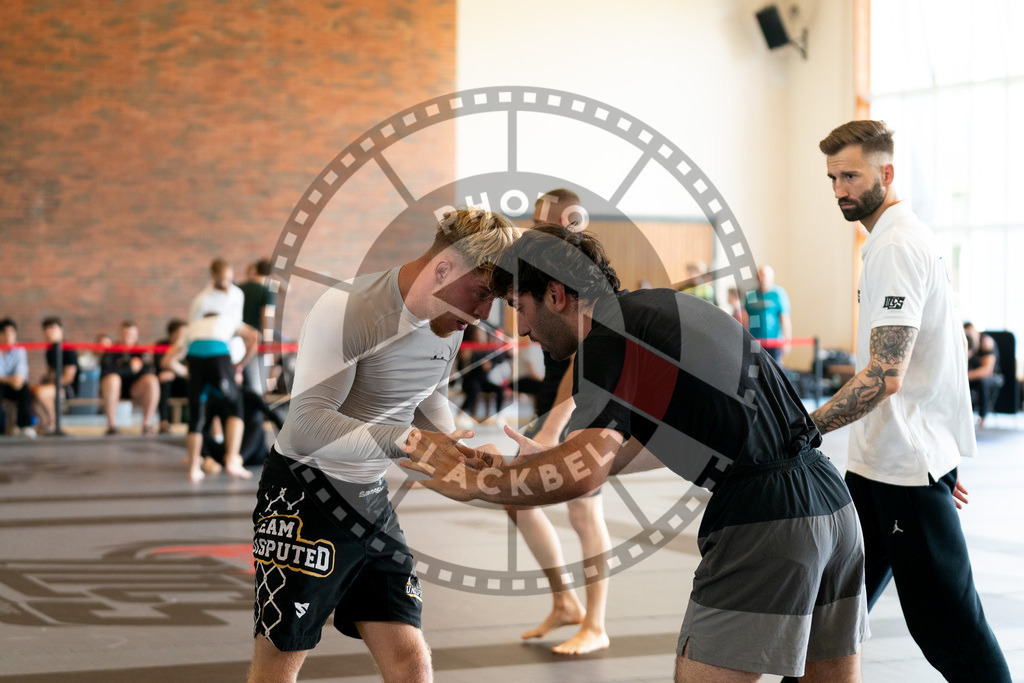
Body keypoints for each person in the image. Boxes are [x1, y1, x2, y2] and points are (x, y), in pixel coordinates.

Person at [402, 225, 867, 681]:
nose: (522, 329)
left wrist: (477, 484)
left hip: (767, 519)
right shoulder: (660, 309)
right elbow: (649, 442)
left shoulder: (605, 339)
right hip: (832, 503)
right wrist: (540, 462)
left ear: (556, 295)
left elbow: (583, 475)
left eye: (519, 308)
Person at [246, 208, 519, 683]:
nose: (481, 315)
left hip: (369, 499)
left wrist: (450, 447)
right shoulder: (349, 308)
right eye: (479, 295)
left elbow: (425, 392)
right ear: (443, 269)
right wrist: (410, 441)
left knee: (410, 661)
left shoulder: (445, 321)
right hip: (303, 494)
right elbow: (306, 425)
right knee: (279, 663)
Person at [809, 120, 1010, 681]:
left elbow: (887, 375)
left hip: (902, 472)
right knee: (832, 611)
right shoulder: (896, 238)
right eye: (832, 178)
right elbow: (933, 354)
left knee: (951, 628)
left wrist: (805, 428)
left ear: (886, 173)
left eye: (850, 175)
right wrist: (941, 455)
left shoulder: (896, 243)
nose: (838, 190)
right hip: (883, 466)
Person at [505, 189, 613, 655]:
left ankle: (596, 623)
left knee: (584, 510)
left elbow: (582, 362)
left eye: (546, 224)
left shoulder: (582, 280)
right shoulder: (542, 270)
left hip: (578, 403)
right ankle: (565, 601)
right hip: (552, 397)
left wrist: (553, 428)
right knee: (518, 498)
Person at [163, 313, 257, 481]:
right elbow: (254, 336)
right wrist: (241, 363)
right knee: (235, 408)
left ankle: (193, 469)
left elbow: (167, 361)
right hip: (218, 354)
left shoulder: (192, 327)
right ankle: (232, 461)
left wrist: (186, 373)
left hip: (195, 358)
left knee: (196, 414)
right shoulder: (228, 319)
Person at [100, 320, 160, 435]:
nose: (127, 338)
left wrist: (136, 368)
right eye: (125, 334)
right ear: (119, 334)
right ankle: (112, 426)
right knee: (113, 379)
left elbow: (148, 370)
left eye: (131, 335)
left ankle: (147, 424)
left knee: (152, 380)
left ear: (136, 336)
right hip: (113, 389)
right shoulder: (111, 351)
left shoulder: (141, 351)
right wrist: (129, 368)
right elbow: (106, 372)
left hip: (135, 389)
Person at [33, 317, 79, 433]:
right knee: (33, 392)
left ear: (60, 330)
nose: (49, 332)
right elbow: (49, 373)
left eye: (53, 328)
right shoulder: (50, 350)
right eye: (46, 329)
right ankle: (44, 424)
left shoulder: (68, 349)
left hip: (68, 388)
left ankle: (54, 424)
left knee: (42, 392)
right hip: (54, 385)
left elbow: (68, 378)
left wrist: (49, 385)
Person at [238, 258, 276, 394]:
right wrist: (268, 343)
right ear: (271, 275)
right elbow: (267, 317)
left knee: (239, 378)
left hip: (237, 339)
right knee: (256, 384)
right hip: (256, 343)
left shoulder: (239, 288)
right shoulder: (267, 291)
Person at [744, 264, 791, 362]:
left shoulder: (778, 294)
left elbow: (785, 319)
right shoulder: (751, 296)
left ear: (771, 278)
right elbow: (745, 319)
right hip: (755, 342)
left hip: (774, 343)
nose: (762, 279)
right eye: (760, 275)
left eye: (764, 275)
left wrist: (787, 341)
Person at [0, 318, 36, 437]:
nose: (9, 336)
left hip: (15, 384)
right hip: (2, 385)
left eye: (12, 333)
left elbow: (21, 373)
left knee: (25, 391)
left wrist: (17, 380)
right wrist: (11, 379)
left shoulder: (20, 350)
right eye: (5, 333)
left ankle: (25, 426)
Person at [964, 322, 1004, 428]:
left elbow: (987, 370)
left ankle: (982, 417)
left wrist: (965, 376)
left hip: (993, 377)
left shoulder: (986, 342)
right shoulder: (966, 343)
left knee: (983, 381)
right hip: (971, 375)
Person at [155, 318, 189, 433]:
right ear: (172, 334)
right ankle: (163, 422)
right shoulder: (161, 345)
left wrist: (174, 374)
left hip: (183, 383)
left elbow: (189, 371)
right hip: (166, 384)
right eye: (182, 334)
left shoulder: (188, 347)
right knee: (165, 380)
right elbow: (160, 366)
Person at [190, 257, 244, 325]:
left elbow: (238, 321)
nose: (225, 283)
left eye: (228, 279)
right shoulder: (201, 300)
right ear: (213, 276)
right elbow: (194, 327)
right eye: (222, 279)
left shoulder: (238, 294)